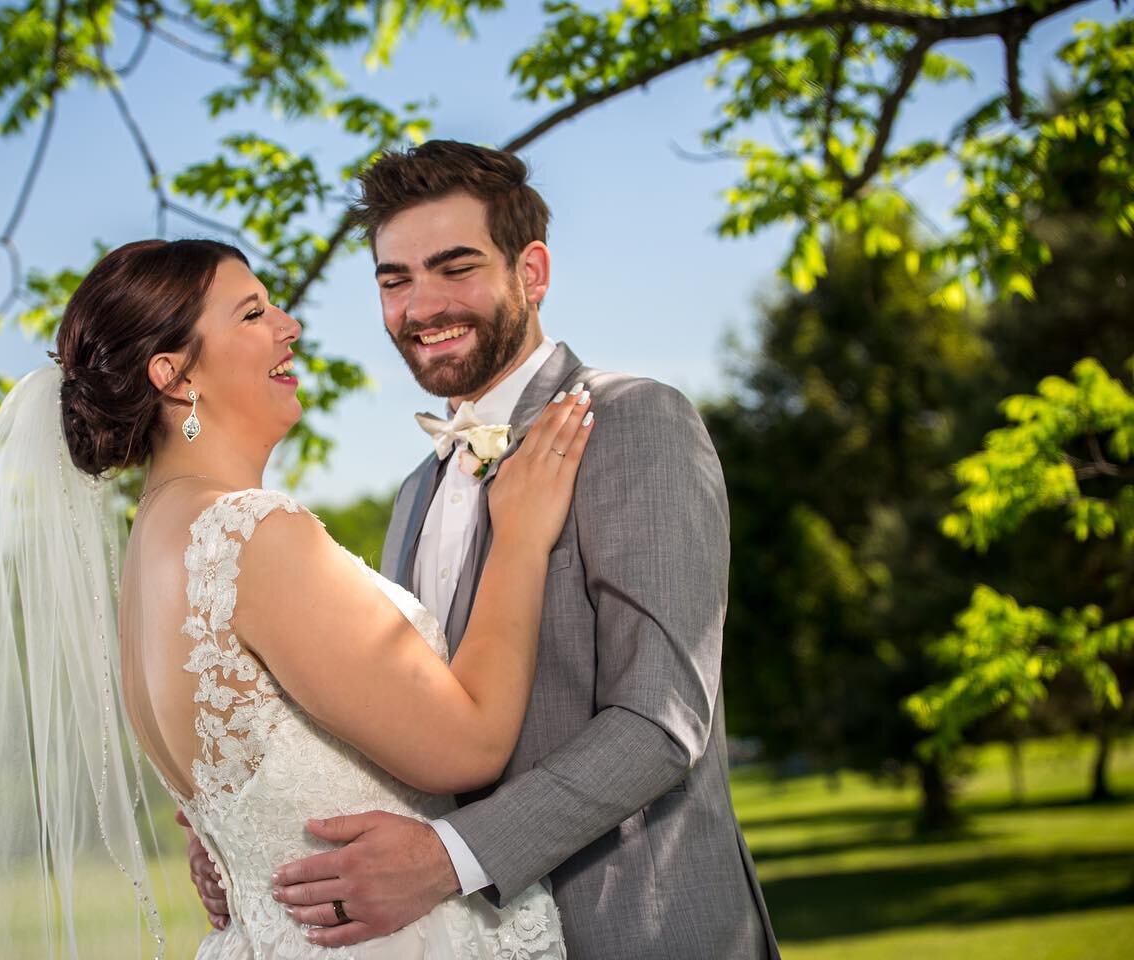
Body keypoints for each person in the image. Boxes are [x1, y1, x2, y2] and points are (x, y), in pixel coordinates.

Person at [186, 141, 782, 959]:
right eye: (394, 280)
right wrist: (248, 830)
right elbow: (403, 727)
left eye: (454, 268)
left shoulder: (635, 422)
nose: (420, 306)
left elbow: (661, 720)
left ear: (531, 271)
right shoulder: (411, 494)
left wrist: (446, 860)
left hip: (638, 927)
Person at [0, 236, 593, 958]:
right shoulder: (252, 538)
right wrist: (521, 539)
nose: (290, 326)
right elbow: (469, 747)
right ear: (176, 375)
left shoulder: (152, 557)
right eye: (252, 314)